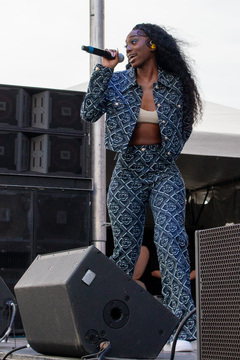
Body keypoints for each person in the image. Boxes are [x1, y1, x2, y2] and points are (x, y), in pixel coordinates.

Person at [81, 23, 202, 351]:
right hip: (128, 173)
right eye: (126, 43)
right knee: (124, 253)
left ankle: (184, 330)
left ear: (153, 45)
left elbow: (185, 123)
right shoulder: (117, 81)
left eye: (134, 41)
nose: (128, 47)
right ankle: (110, 323)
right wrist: (103, 70)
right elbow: (89, 112)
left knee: (171, 241)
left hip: (163, 171)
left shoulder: (175, 85)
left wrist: (169, 151)